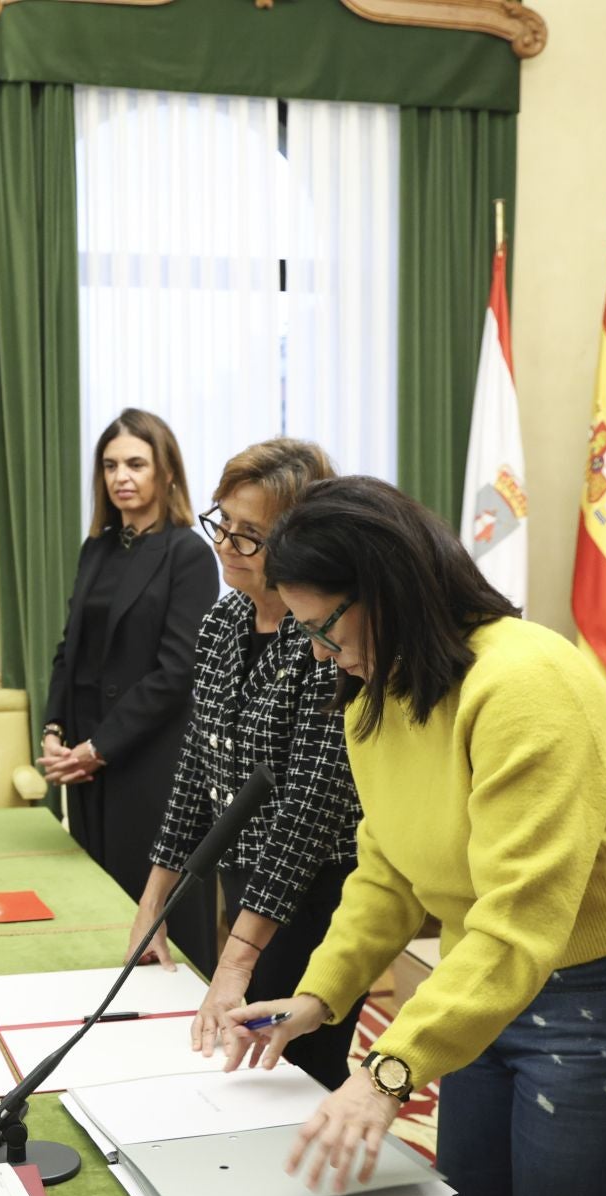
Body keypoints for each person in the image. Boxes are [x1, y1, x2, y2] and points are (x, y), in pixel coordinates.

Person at [226, 475, 606, 1196]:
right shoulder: (378, 688)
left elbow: (520, 922)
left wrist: (388, 1072)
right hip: (473, 993)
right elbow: (388, 870)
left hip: (587, 998)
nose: (321, 654)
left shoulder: (525, 683)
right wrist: (320, 996)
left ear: (386, 590)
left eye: (324, 629)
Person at [129, 439, 364, 1088]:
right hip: (243, 875)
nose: (226, 545)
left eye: (250, 535)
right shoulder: (224, 619)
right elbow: (197, 762)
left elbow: (308, 810)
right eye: (222, 523)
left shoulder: (327, 635)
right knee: (243, 1063)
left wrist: (237, 958)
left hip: (317, 885)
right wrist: (153, 900)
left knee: (295, 1069)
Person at [39, 409, 216, 900]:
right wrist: (54, 730)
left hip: (150, 759)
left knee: (150, 909)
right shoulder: (95, 549)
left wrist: (99, 748)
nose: (121, 477)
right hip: (85, 760)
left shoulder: (189, 554)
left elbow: (177, 672)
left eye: (136, 464)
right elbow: (69, 650)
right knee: (96, 901)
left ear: (167, 472)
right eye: (110, 465)